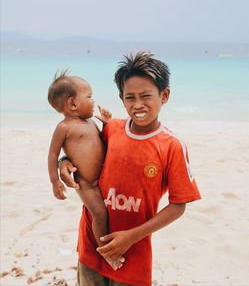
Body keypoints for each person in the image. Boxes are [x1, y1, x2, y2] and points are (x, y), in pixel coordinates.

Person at [59, 52, 202, 286]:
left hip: (133, 251)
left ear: (164, 95)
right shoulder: (111, 129)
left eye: (146, 96)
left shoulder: (172, 146)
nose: (138, 105)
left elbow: (179, 205)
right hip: (92, 242)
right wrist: (63, 161)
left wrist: (131, 237)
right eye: (130, 97)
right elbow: (82, 153)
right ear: (121, 98)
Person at [47, 71, 124, 270]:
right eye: (89, 97)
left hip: (104, 179)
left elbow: (103, 142)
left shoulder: (91, 122)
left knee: (106, 213)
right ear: (72, 104)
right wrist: (55, 181)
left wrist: (108, 124)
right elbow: (52, 155)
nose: (93, 101)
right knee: (99, 213)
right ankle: (105, 250)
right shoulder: (64, 127)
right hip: (86, 184)